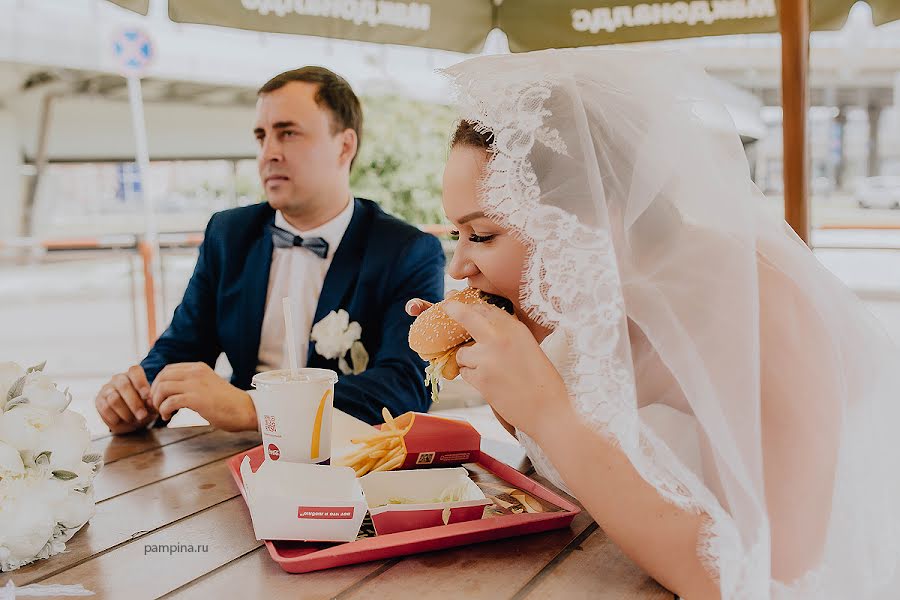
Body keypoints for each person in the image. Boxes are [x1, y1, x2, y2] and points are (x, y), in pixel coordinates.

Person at [406, 49, 900, 599]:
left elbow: (761, 581)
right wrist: (509, 375)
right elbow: (565, 468)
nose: (459, 268)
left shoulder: (760, 312)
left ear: (589, 216)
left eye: (482, 235)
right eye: (456, 235)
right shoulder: (581, 305)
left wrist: (547, 410)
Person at [96, 66, 444, 433]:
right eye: (261, 136)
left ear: (345, 146)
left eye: (288, 133)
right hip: (237, 457)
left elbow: (407, 385)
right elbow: (183, 345)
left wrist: (257, 408)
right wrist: (137, 396)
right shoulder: (229, 234)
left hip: (350, 460)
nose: (268, 153)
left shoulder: (407, 251)